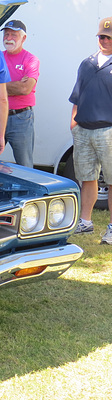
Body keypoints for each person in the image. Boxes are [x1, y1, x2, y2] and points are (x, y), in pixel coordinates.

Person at [69, 16, 112, 243]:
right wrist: (73, 121)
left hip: (109, 131)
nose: (104, 40)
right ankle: (85, 222)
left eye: (109, 37)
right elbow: (77, 94)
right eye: (102, 36)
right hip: (83, 129)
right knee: (87, 178)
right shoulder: (86, 63)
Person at [1, 20, 40, 168]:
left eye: (14, 35)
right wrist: (16, 84)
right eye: (6, 34)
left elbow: (25, 89)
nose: (9, 38)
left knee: (25, 165)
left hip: (21, 118)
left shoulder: (31, 60)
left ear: (23, 38)